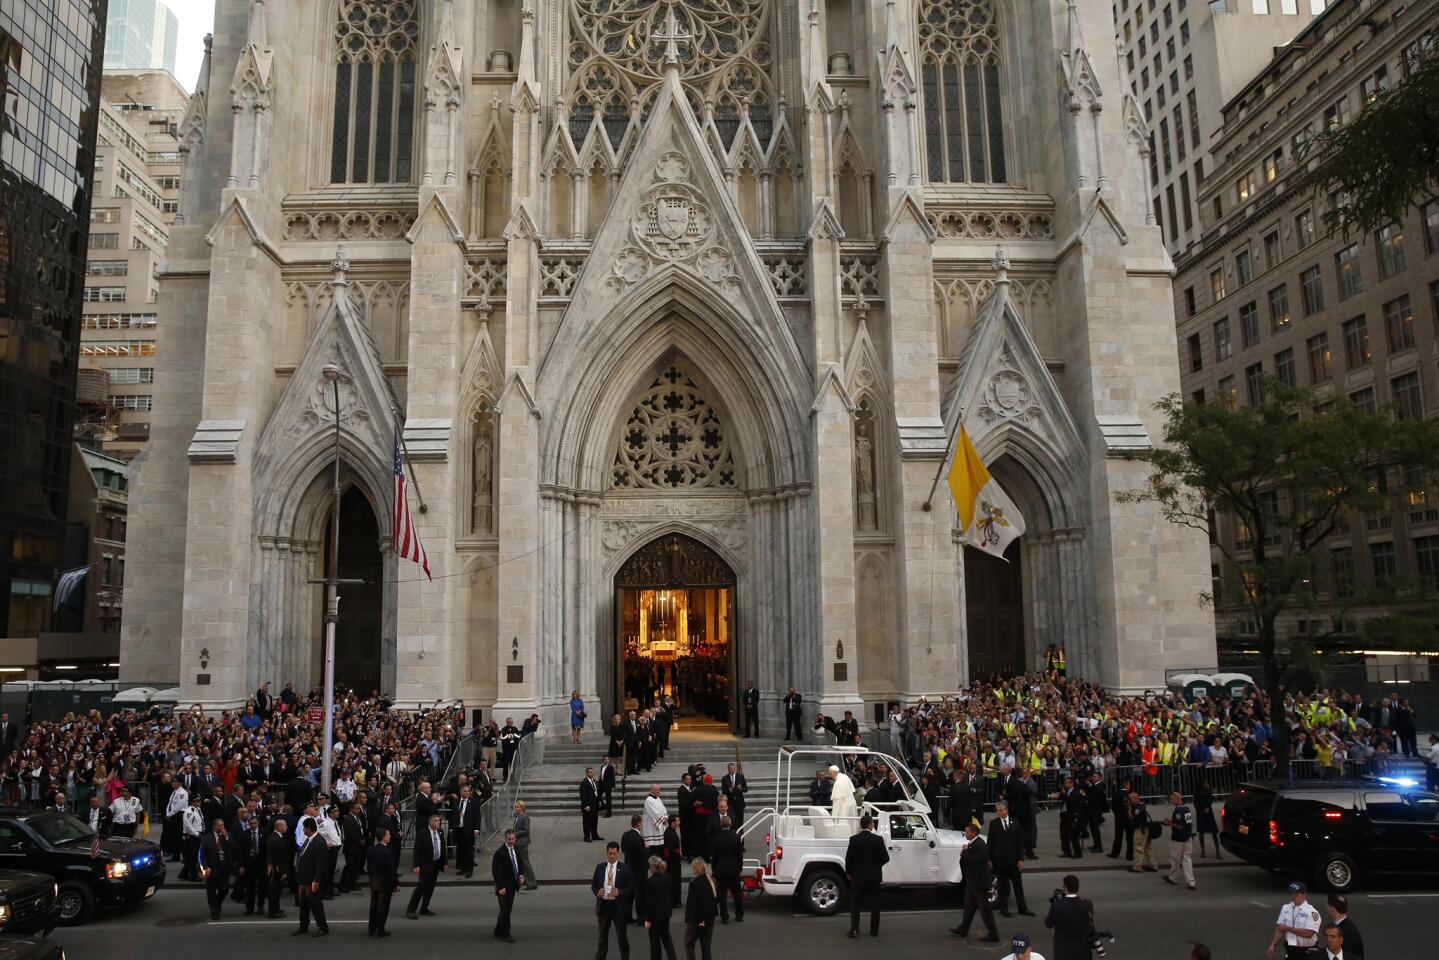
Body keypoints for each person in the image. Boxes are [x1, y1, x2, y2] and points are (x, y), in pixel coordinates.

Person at [950, 822, 999, 942]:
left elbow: (973, 861)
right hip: (973, 883)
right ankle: (963, 929)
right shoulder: (974, 844)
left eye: (967, 832)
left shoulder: (979, 845)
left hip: (979, 884)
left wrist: (965, 851)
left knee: (984, 909)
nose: (965, 834)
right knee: (968, 907)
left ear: (973, 833)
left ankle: (993, 934)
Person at [844, 813, 889, 938]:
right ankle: (874, 930)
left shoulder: (853, 839)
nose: (873, 825)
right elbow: (886, 858)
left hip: (857, 876)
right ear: (869, 825)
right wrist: (876, 866)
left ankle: (854, 929)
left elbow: (849, 859)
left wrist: (849, 872)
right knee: (875, 904)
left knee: (855, 902)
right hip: (874, 877)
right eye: (873, 823)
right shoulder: (878, 840)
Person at [988, 801, 1033, 918]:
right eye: (998, 810)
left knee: (1018, 885)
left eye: (1001, 810)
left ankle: (1023, 908)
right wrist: (990, 859)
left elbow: (1020, 842)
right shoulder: (993, 824)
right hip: (1000, 861)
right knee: (1002, 887)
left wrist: (1021, 859)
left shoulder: (1016, 823)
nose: (999, 812)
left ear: (1006, 810)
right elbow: (990, 843)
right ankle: (1004, 909)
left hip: (1014, 861)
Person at [593, 840, 633, 960]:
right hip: (604, 907)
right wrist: (597, 892)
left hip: (618, 908)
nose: (611, 856)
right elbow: (593, 885)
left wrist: (620, 892)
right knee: (602, 938)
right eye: (610, 853)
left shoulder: (625, 869)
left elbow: (631, 888)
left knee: (622, 937)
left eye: (614, 854)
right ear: (607, 853)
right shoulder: (600, 868)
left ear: (618, 853)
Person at [293, 819, 329, 937]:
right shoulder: (308, 840)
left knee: (315, 904)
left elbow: (321, 863)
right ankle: (303, 925)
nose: (303, 830)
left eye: (304, 828)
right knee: (303, 905)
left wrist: (316, 880)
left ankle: (323, 927)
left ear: (309, 828)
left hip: (312, 880)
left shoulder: (319, 842)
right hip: (303, 880)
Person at [406, 812, 446, 919]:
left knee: (430, 888)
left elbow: (443, 847)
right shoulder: (422, 833)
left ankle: (424, 908)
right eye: (436, 821)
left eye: (439, 821)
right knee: (421, 887)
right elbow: (417, 850)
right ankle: (411, 910)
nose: (439, 823)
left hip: (436, 864)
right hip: (425, 865)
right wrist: (416, 865)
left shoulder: (440, 832)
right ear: (430, 822)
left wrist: (444, 862)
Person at [1269, 881, 1322, 959]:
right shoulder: (1286, 908)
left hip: (1307, 951)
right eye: (1291, 893)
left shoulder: (1312, 912)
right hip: (1290, 949)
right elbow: (1280, 929)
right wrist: (1273, 945)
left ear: (1304, 895)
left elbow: (1308, 934)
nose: (1293, 896)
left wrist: (1288, 928)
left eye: (1296, 894)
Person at [1043, 874, 1089, 960]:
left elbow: (1048, 924)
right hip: (1081, 950)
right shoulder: (1085, 904)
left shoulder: (1057, 905)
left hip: (1063, 951)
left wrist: (1055, 903)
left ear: (1065, 888)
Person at [709, 816, 743, 924]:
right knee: (737, 893)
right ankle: (739, 914)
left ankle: (724, 916)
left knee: (722, 894)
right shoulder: (737, 837)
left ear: (721, 825)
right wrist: (739, 867)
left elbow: (714, 856)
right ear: (730, 824)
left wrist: (714, 868)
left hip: (721, 869)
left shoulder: (717, 838)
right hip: (734, 869)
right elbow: (739, 855)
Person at [366, 826, 398, 938]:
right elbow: (391, 871)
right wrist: (396, 884)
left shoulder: (371, 850)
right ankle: (380, 930)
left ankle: (371, 928)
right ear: (384, 837)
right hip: (385, 883)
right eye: (388, 835)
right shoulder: (388, 852)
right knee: (382, 907)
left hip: (374, 881)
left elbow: (369, 867)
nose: (389, 836)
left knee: (374, 905)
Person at [643, 857, 678, 960]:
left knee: (655, 941)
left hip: (655, 916)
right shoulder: (667, 878)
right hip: (666, 913)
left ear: (653, 867)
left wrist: (647, 919)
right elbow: (671, 895)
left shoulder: (650, 882)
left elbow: (649, 903)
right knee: (666, 937)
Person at [198, 819, 234, 921]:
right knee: (211, 892)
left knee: (224, 889)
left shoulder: (226, 836)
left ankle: (217, 904)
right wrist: (204, 868)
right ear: (214, 826)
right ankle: (214, 911)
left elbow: (234, 846)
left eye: (223, 825)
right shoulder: (206, 838)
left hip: (224, 868)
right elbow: (201, 854)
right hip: (211, 869)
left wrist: (227, 837)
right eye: (219, 826)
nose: (222, 827)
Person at [492, 828, 523, 943]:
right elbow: (496, 872)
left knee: (505, 910)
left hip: (513, 885)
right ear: (505, 839)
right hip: (504, 887)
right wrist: (501, 887)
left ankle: (498, 930)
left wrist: (521, 875)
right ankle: (506, 933)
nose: (511, 841)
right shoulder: (500, 853)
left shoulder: (516, 849)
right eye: (509, 839)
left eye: (513, 839)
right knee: (506, 911)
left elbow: (519, 863)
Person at [683, 857, 717, 960]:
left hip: (697, 921)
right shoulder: (710, 881)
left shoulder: (694, 883)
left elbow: (693, 905)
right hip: (709, 919)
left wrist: (698, 920)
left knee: (688, 943)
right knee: (706, 947)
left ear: (696, 868)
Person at [1162, 790, 1196, 891]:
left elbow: (1179, 826)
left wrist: (1169, 823)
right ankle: (1191, 882)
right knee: (1187, 859)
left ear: (1177, 799)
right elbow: (1187, 824)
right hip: (1188, 837)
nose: (1171, 800)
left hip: (1178, 838)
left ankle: (1174, 877)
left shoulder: (1178, 811)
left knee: (1175, 858)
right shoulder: (1187, 809)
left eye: (1172, 798)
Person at [236, 812, 266, 915]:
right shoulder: (245, 834)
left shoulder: (264, 833)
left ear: (258, 823)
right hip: (249, 863)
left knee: (262, 886)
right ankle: (249, 907)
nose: (253, 825)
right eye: (251, 823)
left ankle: (261, 906)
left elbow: (267, 850)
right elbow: (240, 852)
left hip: (261, 863)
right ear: (249, 824)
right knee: (250, 887)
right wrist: (241, 866)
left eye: (255, 823)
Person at [622, 814, 649, 923]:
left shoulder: (625, 835)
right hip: (639, 871)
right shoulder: (638, 838)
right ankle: (641, 918)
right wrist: (647, 848)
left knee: (629, 895)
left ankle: (627, 917)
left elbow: (623, 849)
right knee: (640, 896)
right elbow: (643, 854)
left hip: (628, 868)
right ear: (638, 824)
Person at [265, 817, 290, 919]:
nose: (286, 827)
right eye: (285, 826)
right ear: (279, 827)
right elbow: (279, 858)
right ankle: (273, 912)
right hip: (276, 870)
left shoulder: (274, 837)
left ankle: (276, 909)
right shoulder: (277, 840)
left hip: (274, 869)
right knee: (275, 892)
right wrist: (283, 872)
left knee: (276, 892)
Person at [451, 784, 479, 877]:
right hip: (459, 830)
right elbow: (453, 816)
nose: (467, 793)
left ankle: (469, 870)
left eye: (468, 791)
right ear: (461, 792)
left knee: (469, 851)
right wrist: (452, 827)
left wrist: (476, 829)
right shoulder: (456, 802)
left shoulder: (474, 802)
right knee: (461, 851)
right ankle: (462, 868)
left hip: (469, 830)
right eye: (465, 791)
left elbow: (477, 817)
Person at [1324, 895, 1364, 959]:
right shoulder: (1348, 926)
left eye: (1327, 905)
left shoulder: (1345, 931)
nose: (1326, 908)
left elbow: (1342, 955)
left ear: (1333, 909)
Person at [514, 800, 539, 890]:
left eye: (517, 807)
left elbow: (526, 830)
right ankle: (523, 881)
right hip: (518, 843)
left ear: (522, 808)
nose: (516, 808)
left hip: (523, 843)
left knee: (525, 863)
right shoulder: (517, 816)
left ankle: (532, 883)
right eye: (515, 807)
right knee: (520, 863)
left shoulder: (524, 817)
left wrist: (515, 834)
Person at [1194, 780, 1220, 859]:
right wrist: (1198, 810)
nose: (1207, 784)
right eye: (1206, 783)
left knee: (1214, 832)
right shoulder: (1197, 794)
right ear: (1202, 785)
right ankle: (1203, 850)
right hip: (1201, 814)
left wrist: (1206, 808)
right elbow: (1195, 803)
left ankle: (1218, 851)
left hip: (1209, 814)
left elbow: (1210, 801)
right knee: (1201, 832)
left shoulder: (1209, 792)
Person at [644, 783, 669, 857]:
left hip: (661, 825)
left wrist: (665, 817)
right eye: (658, 790)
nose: (659, 792)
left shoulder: (658, 798)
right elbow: (654, 813)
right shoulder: (648, 800)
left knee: (660, 845)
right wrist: (663, 819)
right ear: (653, 790)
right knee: (654, 846)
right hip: (652, 827)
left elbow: (663, 809)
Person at [720, 762, 747, 828]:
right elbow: (723, 791)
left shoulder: (740, 776)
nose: (731, 771)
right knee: (731, 822)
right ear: (728, 770)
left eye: (733, 769)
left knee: (740, 823)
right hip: (730, 804)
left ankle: (740, 837)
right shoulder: (724, 778)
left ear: (735, 769)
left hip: (739, 804)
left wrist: (741, 788)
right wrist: (729, 790)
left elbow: (746, 789)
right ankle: (732, 836)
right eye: (730, 769)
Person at [582, 766, 603, 842]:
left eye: (593, 772)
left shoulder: (594, 781)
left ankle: (595, 835)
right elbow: (583, 796)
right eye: (590, 772)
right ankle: (586, 836)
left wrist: (600, 801)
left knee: (594, 821)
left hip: (595, 805)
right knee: (587, 822)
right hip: (588, 806)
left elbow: (597, 792)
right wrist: (586, 806)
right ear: (587, 773)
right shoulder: (584, 783)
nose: (592, 773)